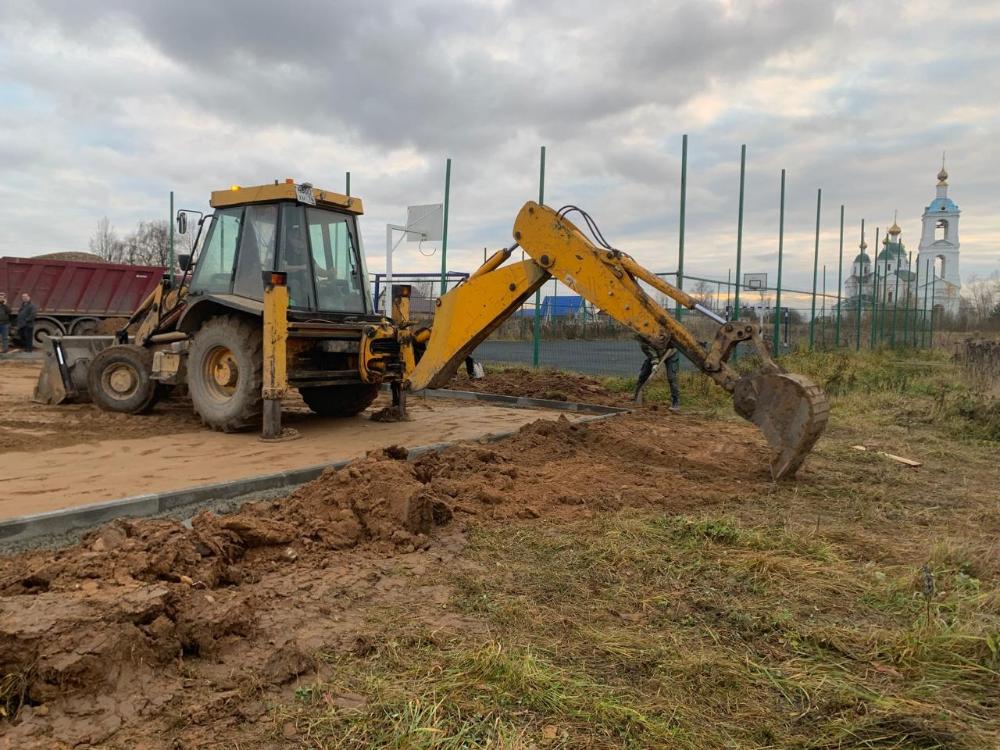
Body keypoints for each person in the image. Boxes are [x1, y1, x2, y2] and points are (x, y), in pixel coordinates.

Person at [634, 335, 680, 411]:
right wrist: (655, 363)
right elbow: (651, 353)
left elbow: (674, 335)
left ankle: (676, 403)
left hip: (671, 353)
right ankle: (637, 398)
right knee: (643, 375)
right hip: (656, 355)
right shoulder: (642, 340)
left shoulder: (660, 329)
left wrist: (672, 342)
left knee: (672, 378)